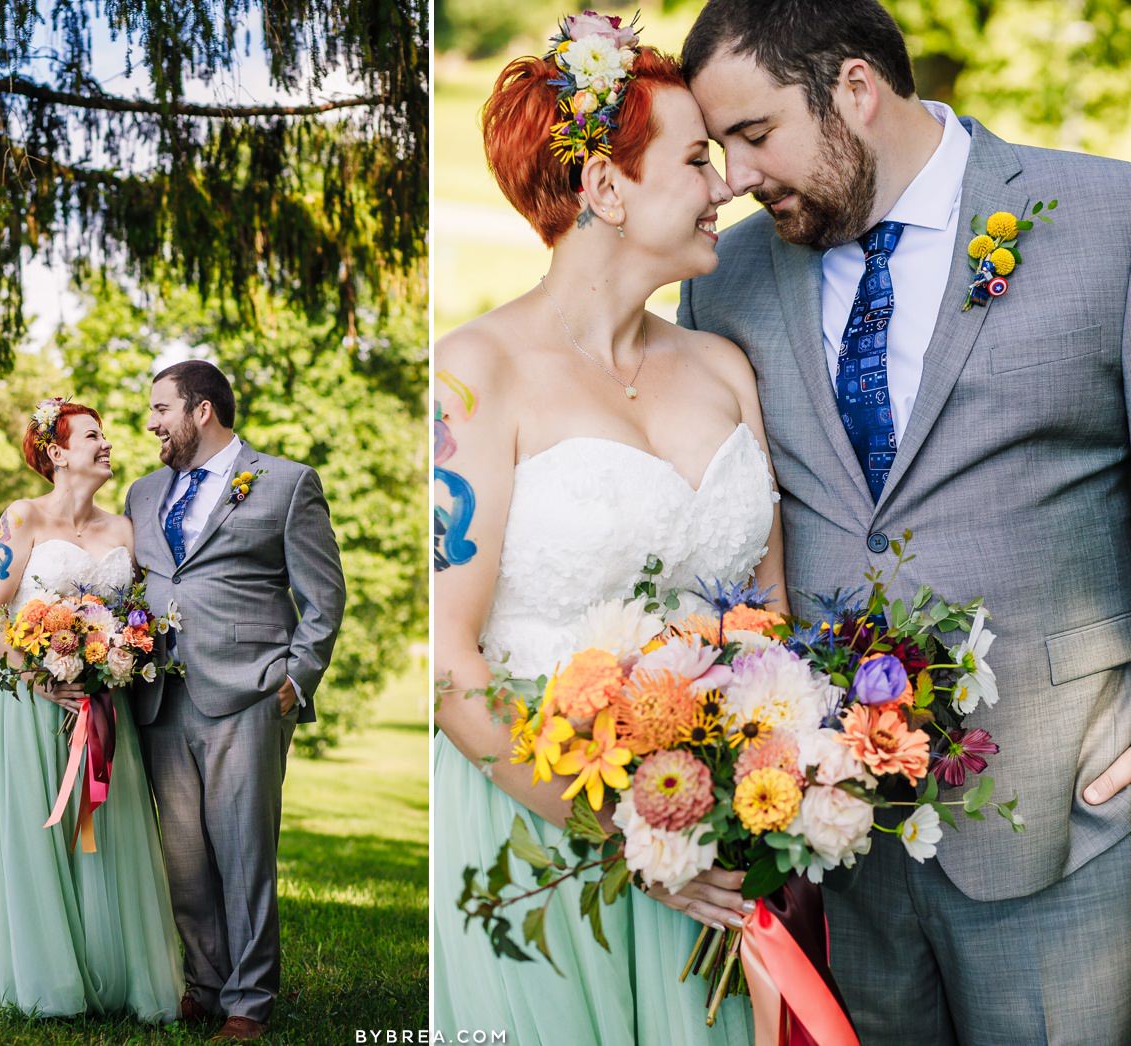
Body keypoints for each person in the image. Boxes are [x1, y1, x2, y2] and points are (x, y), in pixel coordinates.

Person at [678, 1, 1131, 1041]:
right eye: (718, 147)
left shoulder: (1106, 220)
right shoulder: (725, 281)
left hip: (1070, 820)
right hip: (840, 857)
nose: (736, 177)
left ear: (852, 88)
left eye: (753, 135)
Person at [432, 14, 785, 1043]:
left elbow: (768, 611)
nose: (723, 185)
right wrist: (633, 835)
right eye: (693, 159)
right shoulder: (470, 376)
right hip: (539, 826)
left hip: (715, 831)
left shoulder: (722, 367)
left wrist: (755, 796)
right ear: (603, 187)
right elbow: (450, 660)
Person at [124, 360, 345, 1042]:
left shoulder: (285, 483)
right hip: (160, 693)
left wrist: (296, 677)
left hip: (250, 692)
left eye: (162, 408)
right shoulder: (141, 492)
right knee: (183, 855)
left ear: (202, 411)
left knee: (245, 851)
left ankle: (249, 1000)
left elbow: (324, 595)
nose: (152, 422)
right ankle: (205, 983)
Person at [0, 398, 182, 1022]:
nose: (107, 443)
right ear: (57, 453)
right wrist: (40, 678)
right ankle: (43, 976)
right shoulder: (21, 517)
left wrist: (117, 658)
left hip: (102, 707)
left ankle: (112, 975)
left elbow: (135, 617)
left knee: (102, 835)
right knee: (40, 831)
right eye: (92, 436)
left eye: (104, 435)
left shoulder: (123, 530)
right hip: (28, 703)